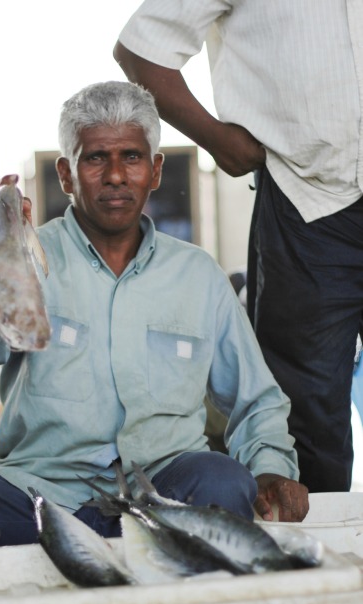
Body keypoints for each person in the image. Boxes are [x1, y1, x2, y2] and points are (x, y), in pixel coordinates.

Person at [0, 81, 308, 552]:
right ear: (66, 174)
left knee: (225, 482)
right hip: (40, 496)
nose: (116, 175)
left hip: (163, 491)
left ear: (156, 170)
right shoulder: (28, 255)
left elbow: (257, 400)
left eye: (132, 157)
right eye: (95, 158)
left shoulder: (196, 275)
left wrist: (272, 469)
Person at [113, 1, 363, 495]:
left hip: (314, 202)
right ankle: (316, 565)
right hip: (308, 204)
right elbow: (140, 50)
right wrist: (216, 139)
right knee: (306, 419)